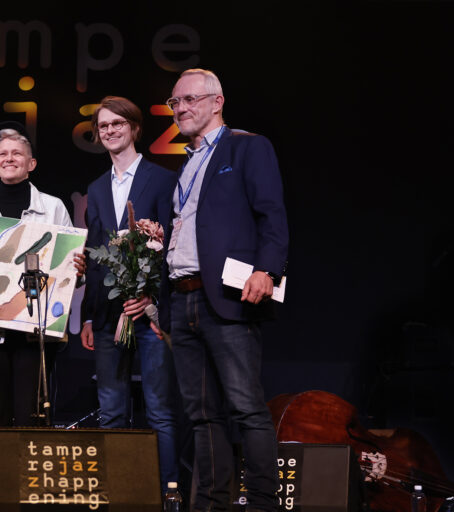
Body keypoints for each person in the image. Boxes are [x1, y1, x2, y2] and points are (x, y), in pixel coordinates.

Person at [153, 69, 289, 511]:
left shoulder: (248, 146)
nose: (181, 109)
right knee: (201, 415)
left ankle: (264, 504)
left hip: (230, 296)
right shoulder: (185, 165)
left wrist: (267, 269)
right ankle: (211, 504)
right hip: (184, 297)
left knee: (246, 407)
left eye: (190, 99)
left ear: (217, 102)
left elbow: (272, 215)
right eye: (175, 103)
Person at [0, 126, 86, 427]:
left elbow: (67, 270)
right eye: (2, 154)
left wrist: (77, 270)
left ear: (31, 163)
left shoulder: (53, 208)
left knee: (30, 419)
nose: (9, 159)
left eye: (17, 154)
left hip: (34, 334)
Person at [80, 96, 180, 492]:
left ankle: (167, 493)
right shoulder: (96, 187)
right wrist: (88, 316)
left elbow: (171, 248)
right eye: (103, 126)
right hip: (107, 317)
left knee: (159, 411)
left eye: (117, 124)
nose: (109, 131)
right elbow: (95, 255)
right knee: (111, 411)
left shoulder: (162, 179)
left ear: (135, 128)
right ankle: (118, 493)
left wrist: (154, 303)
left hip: (150, 314)